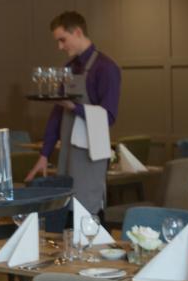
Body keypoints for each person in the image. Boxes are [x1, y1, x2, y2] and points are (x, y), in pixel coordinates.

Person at [24, 11, 121, 215]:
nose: (60, 46)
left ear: (77, 32)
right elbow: (56, 114)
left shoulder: (106, 68)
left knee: (87, 208)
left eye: (62, 40)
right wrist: (44, 154)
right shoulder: (68, 68)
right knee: (65, 207)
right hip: (68, 150)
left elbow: (109, 117)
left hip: (91, 153)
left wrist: (74, 107)